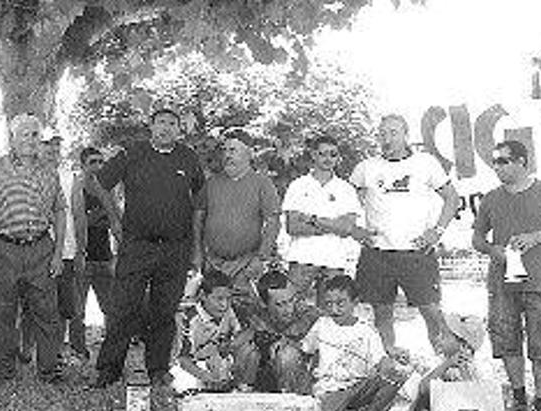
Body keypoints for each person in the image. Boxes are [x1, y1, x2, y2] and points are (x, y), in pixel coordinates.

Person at [88, 108, 204, 388]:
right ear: (150, 126)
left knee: (164, 311)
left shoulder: (187, 158)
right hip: (137, 246)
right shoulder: (132, 153)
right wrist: (115, 219)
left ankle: (158, 370)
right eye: (160, 122)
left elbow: (200, 200)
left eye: (172, 123)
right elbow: (99, 183)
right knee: (123, 308)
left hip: (175, 247)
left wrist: (196, 248)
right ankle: (109, 370)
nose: (166, 128)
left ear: (180, 129)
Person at [472, 140, 541, 411]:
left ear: (522, 162)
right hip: (502, 282)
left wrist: (538, 237)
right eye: (494, 162)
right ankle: (518, 396)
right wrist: (493, 250)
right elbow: (477, 238)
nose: (497, 167)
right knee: (506, 339)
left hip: (540, 282)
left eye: (503, 161)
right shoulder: (491, 199)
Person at [349, 114, 459, 357]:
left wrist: (436, 231)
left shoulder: (426, 163)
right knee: (382, 315)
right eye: (382, 133)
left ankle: (450, 370)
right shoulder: (366, 168)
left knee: (432, 313)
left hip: (416, 252)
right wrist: (356, 230)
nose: (387, 139)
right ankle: (389, 368)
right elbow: (346, 202)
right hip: (377, 253)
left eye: (393, 132)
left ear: (406, 135)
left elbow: (453, 198)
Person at [0, 114, 66, 384]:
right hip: (4, 248)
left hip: (40, 248)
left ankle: (49, 370)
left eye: (35, 134)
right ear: (12, 139)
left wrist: (58, 252)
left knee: (48, 311)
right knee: (3, 311)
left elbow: (59, 210)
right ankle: (3, 370)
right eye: (24, 134)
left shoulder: (50, 169)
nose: (30, 140)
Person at [299, 275, 407, 411]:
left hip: (359, 386)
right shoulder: (321, 325)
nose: (334, 309)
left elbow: (381, 360)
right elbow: (305, 350)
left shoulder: (366, 330)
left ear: (355, 302)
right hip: (331, 388)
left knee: (397, 376)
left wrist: (390, 363)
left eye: (340, 303)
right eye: (328, 304)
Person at [20, 133, 89, 363]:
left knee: (61, 307)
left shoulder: (71, 178)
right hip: (32, 251)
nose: (51, 150)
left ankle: (55, 353)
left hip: (65, 252)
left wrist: (80, 250)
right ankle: (26, 350)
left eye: (56, 145)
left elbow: (79, 216)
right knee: (30, 305)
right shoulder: (23, 174)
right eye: (46, 145)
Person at [281, 135, 364, 306]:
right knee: (290, 310)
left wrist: (312, 220)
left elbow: (348, 228)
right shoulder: (298, 185)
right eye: (323, 153)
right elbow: (293, 226)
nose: (328, 159)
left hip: (334, 260)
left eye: (333, 154)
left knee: (330, 316)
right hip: (302, 258)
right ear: (313, 154)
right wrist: (333, 225)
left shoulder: (345, 189)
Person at [192, 135, 280, 296]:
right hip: (213, 263)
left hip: (245, 264)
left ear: (249, 154)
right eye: (225, 150)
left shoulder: (263, 184)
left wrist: (261, 258)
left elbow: (272, 222)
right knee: (213, 310)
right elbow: (198, 219)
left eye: (233, 150)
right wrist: (198, 253)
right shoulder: (211, 183)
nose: (227, 155)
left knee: (244, 311)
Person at [169, 270, 259, 394]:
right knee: (185, 383)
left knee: (250, 351)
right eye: (219, 299)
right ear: (203, 296)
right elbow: (183, 359)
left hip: (218, 365)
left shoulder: (229, 312)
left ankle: (242, 390)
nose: (224, 304)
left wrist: (230, 345)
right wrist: (208, 378)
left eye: (228, 299)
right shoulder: (188, 318)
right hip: (193, 369)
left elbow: (247, 333)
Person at [70, 147, 122, 360]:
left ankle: (112, 351)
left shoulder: (106, 188)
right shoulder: (76, 187)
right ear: (83, 164)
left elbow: (116, 220)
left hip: (104, 257)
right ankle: (78, 350)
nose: (98, 166)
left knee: (110, 308)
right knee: (77, 310)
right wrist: (99, 216)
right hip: (82, 257)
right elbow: (77, 220)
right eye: (93, 162)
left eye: (101, 162)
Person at [245, 270, 320, 393]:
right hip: (265, 381)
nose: (289, 309)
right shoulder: (256, 318)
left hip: (301, 384)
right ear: (264, 304)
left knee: (287, 355)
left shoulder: (311, 316)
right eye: (281, 305)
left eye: (291, 300)